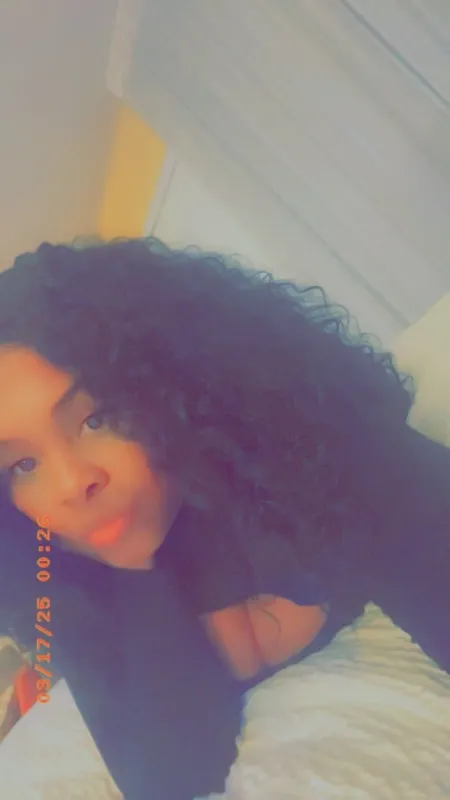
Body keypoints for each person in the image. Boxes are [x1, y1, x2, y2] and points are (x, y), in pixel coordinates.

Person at [0, 238, 448, 799]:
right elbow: (170, 774)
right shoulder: (70, 583)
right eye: (23, 464)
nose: (72, 484)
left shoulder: (316, 454)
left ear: (165, 381)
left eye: (97, 419)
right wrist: (137, 568)